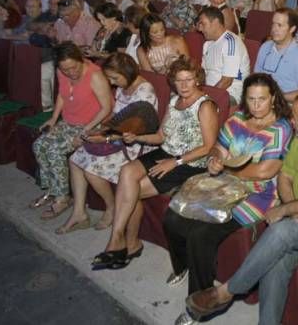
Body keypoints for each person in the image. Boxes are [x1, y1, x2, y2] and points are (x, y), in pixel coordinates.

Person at [184, 89, 298, 324]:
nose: (290, 120)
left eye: (295, 118)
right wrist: (293, 207)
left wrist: (285, 211)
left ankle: (226, 292)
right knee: (276, 260)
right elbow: (284, 177)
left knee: (279, 230)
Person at [163, 74, 293, 320]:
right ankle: (182, 266)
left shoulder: (280, 128)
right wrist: (215, 160)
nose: (256, 105)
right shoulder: (237, 119)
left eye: (262, 100)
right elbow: (219, 148)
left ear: (273, 98)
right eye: (251, 99)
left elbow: (266, 170)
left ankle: (199, 305)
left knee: (201, 235)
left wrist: (227, 168)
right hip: (223, 185)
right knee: (172, 216)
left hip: (257, 195)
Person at [92, 57, 218, 270]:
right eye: (179, 81)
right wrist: (137, 137)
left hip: (190, 163)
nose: (184, 85)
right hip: (165, 151)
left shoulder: (205, 105)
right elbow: (160, 136)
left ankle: (123, 244)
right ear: (173, 82)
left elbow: (208, 147)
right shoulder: (173, 101)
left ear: (197, 79)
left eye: (189, 79)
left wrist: (175, 162)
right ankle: (123, 241)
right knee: (127, 173)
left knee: (130, 192)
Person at [57, 53, 159, 234]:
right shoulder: (123, 86)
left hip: (136, 144)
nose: (112, 83)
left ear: (127, 73)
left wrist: (104, 137)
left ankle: (112, 207)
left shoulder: (144, 91)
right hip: (118, 137)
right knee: (75, 159)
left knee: (91, 168)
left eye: (114, 78)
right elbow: (117, 117)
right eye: (110, 78)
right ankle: (79, 212)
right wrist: (99, 129)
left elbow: (135, 130)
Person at [29, 42, 113, 220]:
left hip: (92, 125)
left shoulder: (95, 75)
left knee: (54, 150)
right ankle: (52, 189)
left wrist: (85, 131)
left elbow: (107, 108)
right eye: (65, 69)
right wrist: (53, 118)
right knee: (39, 145)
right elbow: (62, 95)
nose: (70, 72)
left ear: (80, 59)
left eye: (73, 67)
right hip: (69, 121)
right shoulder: (62, 72)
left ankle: (62, 198)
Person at [255, 8, 298, 101]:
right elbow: (256, 76)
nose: (274, 29)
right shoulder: (265, 47)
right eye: (273, 24)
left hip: (286, 103)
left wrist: (276, 98)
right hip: (260, 99)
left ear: (292, 29)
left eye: (279, 25)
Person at [198, 6, 251, 103]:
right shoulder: (207, 44)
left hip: (230, 93)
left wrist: (206, 99)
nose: (200, 28)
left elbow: (227, 81)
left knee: (199, 109)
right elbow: (203, 73)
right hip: (210, 90)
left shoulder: (230, 42)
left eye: (203, 24)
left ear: (215, 23)